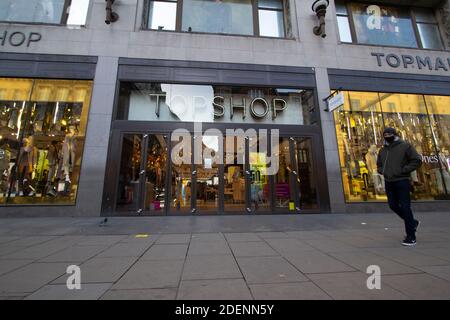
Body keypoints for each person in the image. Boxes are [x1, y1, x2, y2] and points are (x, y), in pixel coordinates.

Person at [377, 127, 422, 246]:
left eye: (389, 134)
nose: (387, 136)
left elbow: (417, 160)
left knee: (405, 207)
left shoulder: (405, 146)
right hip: (389, 180)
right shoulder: (382, 150)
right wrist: (382, 171)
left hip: (402, 180)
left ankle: (411, 236)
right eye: (385, 134)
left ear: (395, 134)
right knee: (392, 205)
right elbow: (379, 164)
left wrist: (404, 170)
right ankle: (412, 222)